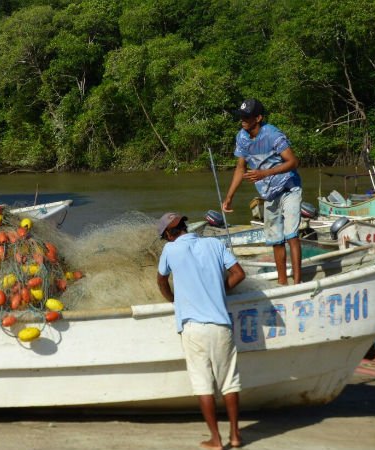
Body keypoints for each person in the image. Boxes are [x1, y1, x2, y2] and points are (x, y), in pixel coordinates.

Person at [156, 212, 246, 450]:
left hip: (193, 328)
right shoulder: (214, 243)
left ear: (167, 234)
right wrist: (218, 290)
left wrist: (174, 300)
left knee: (203, 384)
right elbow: (239, 274)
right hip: (221, 325)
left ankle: (216, 439)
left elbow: (161, 281)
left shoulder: (170, 250)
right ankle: (235, 436)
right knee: (229, 382)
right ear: (185, 227)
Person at [222, 98, 302, 285]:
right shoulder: (241, 137)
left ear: (258, 118)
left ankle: (298, 283)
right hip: (269, 194)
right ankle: (283, 282)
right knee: (276, 239)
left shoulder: (273, 135)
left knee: (291, 235)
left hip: (289, 188)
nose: (242, 119)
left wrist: (264, 173)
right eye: (240, 116)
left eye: (246, 116)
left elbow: (293, 162)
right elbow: (240, 168)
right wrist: (229, 197)